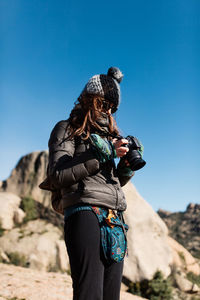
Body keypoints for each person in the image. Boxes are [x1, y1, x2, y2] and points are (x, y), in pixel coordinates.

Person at [41, 67, 135, 300]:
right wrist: (102, 155)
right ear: (90, 99)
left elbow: (111, 183)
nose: (108, 110)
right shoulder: (67, 128)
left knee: (110, 296)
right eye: (104, 103)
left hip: (115, 220)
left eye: (113, 107)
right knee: (89, 294)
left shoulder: (109, 136)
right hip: (85, 214)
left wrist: (126, 167)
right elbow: (58, 175)